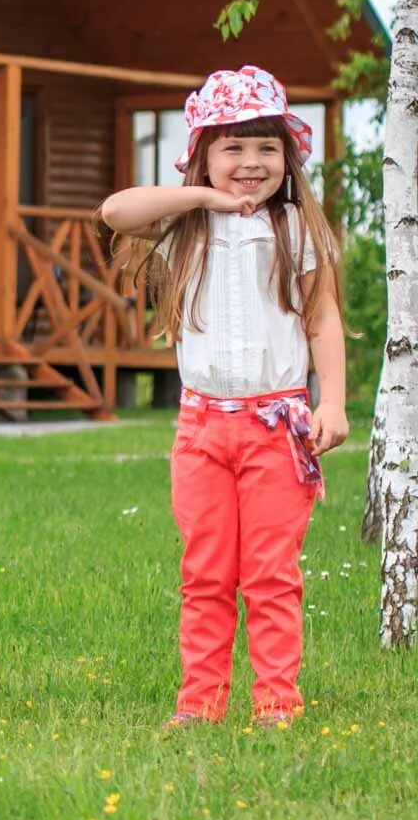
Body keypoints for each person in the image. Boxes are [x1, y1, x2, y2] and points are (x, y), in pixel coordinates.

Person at [99, 65, 348, 730]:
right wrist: (200, 201)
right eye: (232, 147)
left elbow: (322, 319)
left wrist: (335, 403)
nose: (250, 162)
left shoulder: (296, 227)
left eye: (266, 147)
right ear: (203, 156)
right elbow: (114, 212)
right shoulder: (185, 227)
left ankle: (276, 706)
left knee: (270, 573)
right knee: (205, 573)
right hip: (202, 429)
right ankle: (199, 707)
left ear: (287, 157)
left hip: (279, 424)